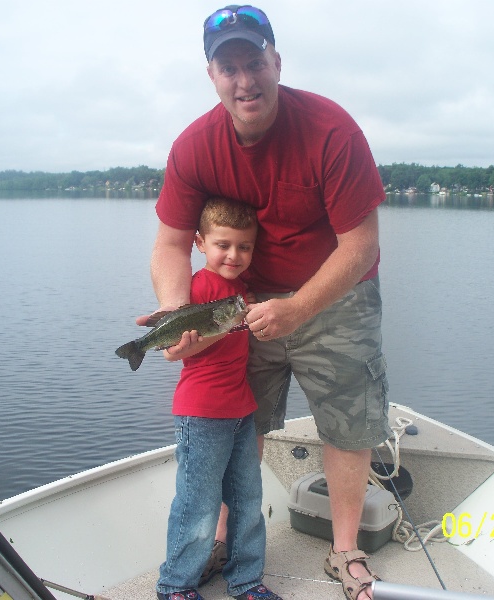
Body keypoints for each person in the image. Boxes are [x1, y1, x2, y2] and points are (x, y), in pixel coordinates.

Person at [148, 6, 392, 600]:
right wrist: (183, 319)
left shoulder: (331, 130)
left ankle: (344, 549)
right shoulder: (195, 146)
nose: (244, 80)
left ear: (276, 62)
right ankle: (225, 541)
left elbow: (361, 246)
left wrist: (301, 308)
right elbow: (171, 245)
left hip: (336, 295)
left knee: (348, 423)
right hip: (242, 306)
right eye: (229, 67)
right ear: (211, 75)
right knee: (239, 420)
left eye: (254, 62)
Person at [155, 197, 283, 600]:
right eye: (223, 244)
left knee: (247, 498)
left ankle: (245, 580)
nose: (234, 254)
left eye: (244, 247)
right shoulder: (196, 288)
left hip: (242, 410)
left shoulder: (240, 292)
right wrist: (182, 341)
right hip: (202, 413)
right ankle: (175, 586)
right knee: (199, 503)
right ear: (200, 243)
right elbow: (174, 351)